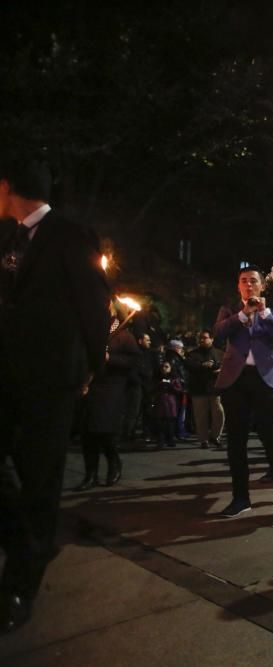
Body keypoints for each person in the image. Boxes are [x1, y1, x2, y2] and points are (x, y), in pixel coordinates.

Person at [0, 154, 110, 632]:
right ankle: (29, 544)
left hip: (51, 378)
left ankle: (20, 584)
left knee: (41, 477)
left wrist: (89, 366)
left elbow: (94, 304)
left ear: (10, 187)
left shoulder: (71, 235)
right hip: (6, 375)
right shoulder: (8, 237)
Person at [214, 266, 273, 518]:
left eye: (253, 281)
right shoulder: (229, 310)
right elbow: (218, 334)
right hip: (235, 380)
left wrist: (264, 313)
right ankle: (241, 497)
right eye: (243, 281)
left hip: (266, 380)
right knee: (236, 440)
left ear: (262, 286)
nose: (248, 285)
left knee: (270, 436)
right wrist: (242, 315)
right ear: (238, 286)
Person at [75, 302, 141, 490]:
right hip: (90, 387)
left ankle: (114, 464)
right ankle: (90, 475)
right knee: (87, 434)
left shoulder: (123, 335)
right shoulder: (92, 333)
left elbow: (134, 360)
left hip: (111, 388)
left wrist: (110, 358)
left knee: (105, 432)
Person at [185, 329, 224, 450]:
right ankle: (204, 439)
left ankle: (215, 436)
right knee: (200, 415)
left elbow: (223, 365)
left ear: (211, 339)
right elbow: (190, 366)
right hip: (199, 388)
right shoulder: (192, 354)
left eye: (205, 337)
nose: (202, 340)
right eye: (200, 338)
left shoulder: (219, 353)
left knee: (219, 413)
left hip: (215, 388)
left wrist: (213, 366)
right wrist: (203, 365)